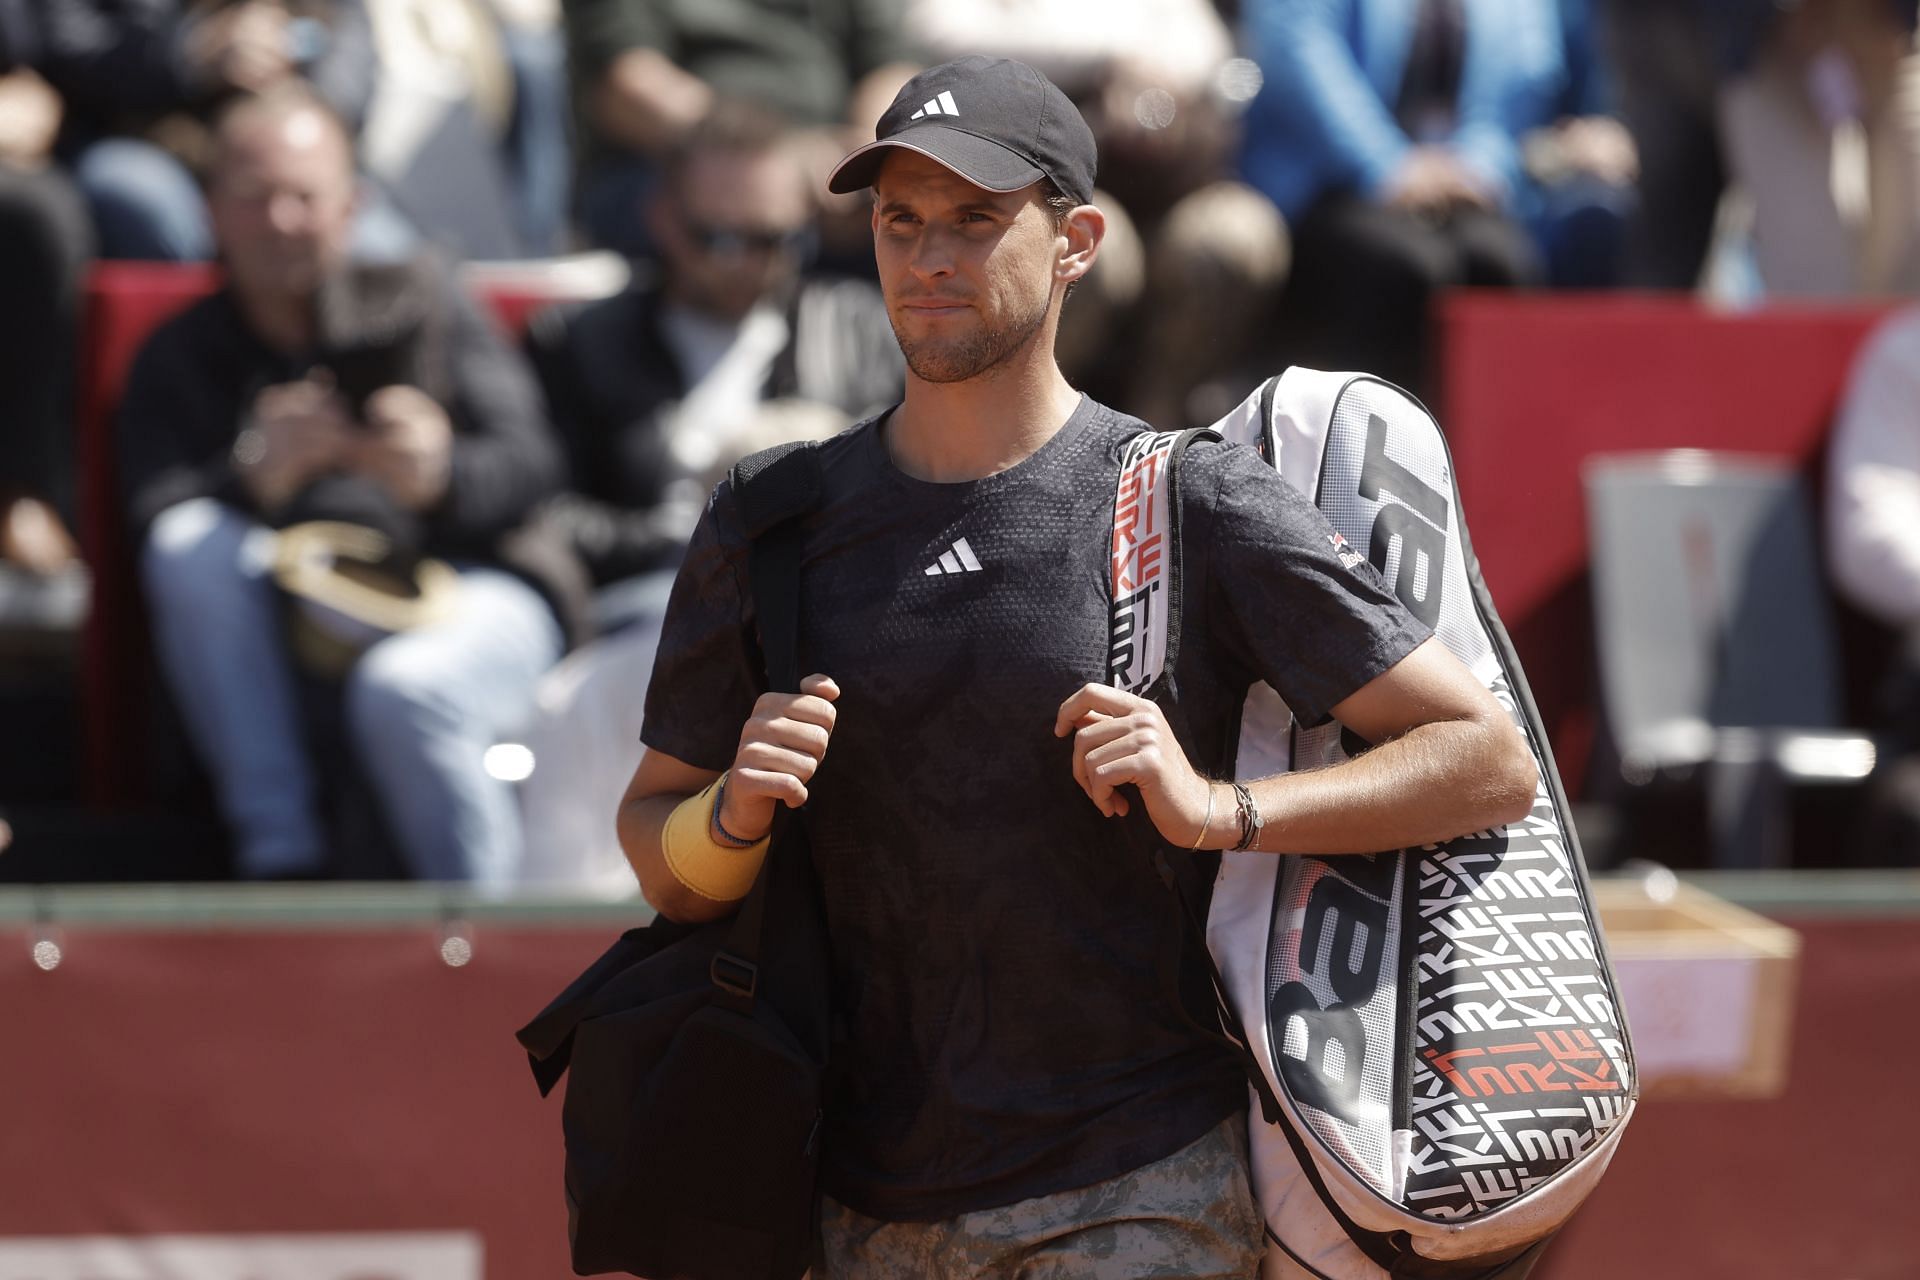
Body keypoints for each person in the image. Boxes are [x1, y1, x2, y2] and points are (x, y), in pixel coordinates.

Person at [617, 56, 1537, 1274]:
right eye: (901, 220)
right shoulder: (770, 519)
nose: (930, 256)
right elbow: (660, 855)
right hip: (847, 1198)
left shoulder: (1188, 491)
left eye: (977, 218)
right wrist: (730, 817)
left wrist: (1228, 810)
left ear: (1078, 240)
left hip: (1143, 1178)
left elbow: (1486, 759)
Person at [118, 84, 568, 886]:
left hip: (474, 586)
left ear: (351, 205)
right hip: (290, 607)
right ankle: (280, 862)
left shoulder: (428, 299)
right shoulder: (180, 352)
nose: (283, 220)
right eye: (255, 198)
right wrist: (252, 475)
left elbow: (537, 465)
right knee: (190, 546)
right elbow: (147, 522)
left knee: (404, 691)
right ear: (212, 210)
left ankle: (492, 942)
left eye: (304, 195)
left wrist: (439, 473)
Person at [513, 101, 903, 892]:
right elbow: (540, 507)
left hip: (824, 628)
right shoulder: (584, 343)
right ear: (661, 218)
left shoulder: (863, 329)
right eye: (713, 236)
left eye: (770, 240)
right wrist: (687, 535)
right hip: (637, 621)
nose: (740, 261)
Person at [1239, 0, 1573, 394]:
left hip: (1460, 183)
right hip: (1331, 180)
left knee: (1501, 263)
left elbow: (1528, 66)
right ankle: (1353, 445)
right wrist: (1386, 164)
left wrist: (1479, 165)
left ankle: (1487, 448)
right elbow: (1294, 48)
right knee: (1410, 269)